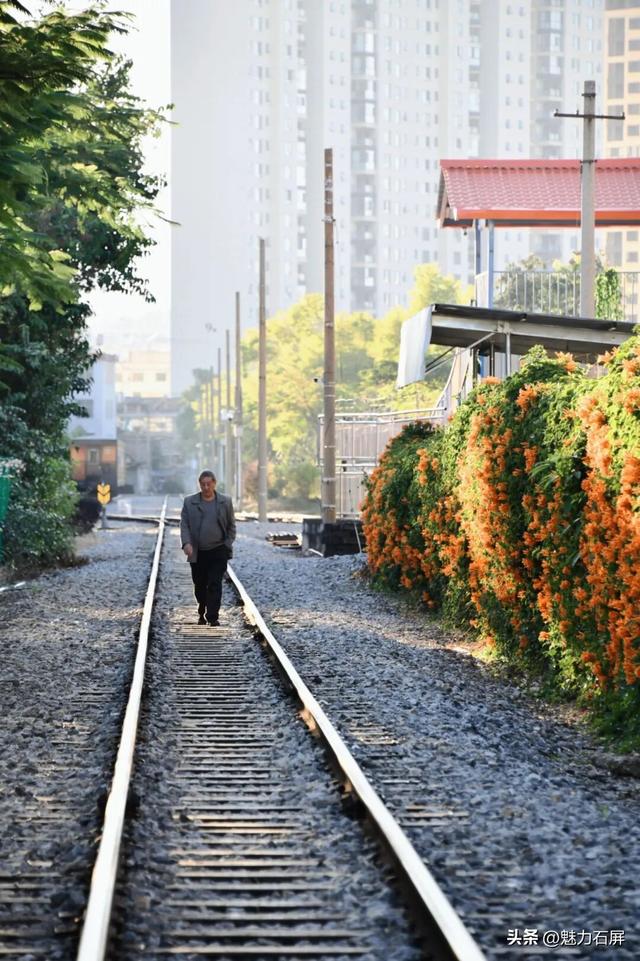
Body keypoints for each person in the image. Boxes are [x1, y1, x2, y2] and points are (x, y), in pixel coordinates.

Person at [180, 470, 236, 626]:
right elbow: (184, 525)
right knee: (199, 584)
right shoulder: (189, 502)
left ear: (214, 483)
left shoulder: (225, 502)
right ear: (199, 484)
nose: (206, 487)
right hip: (198, 552)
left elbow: (231, 525)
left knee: (215, 583)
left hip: (218, 550)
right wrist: (186, 543)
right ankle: (202, 607)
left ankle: (212, 616)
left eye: (208, 484)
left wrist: (227, 543)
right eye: (203, 484)